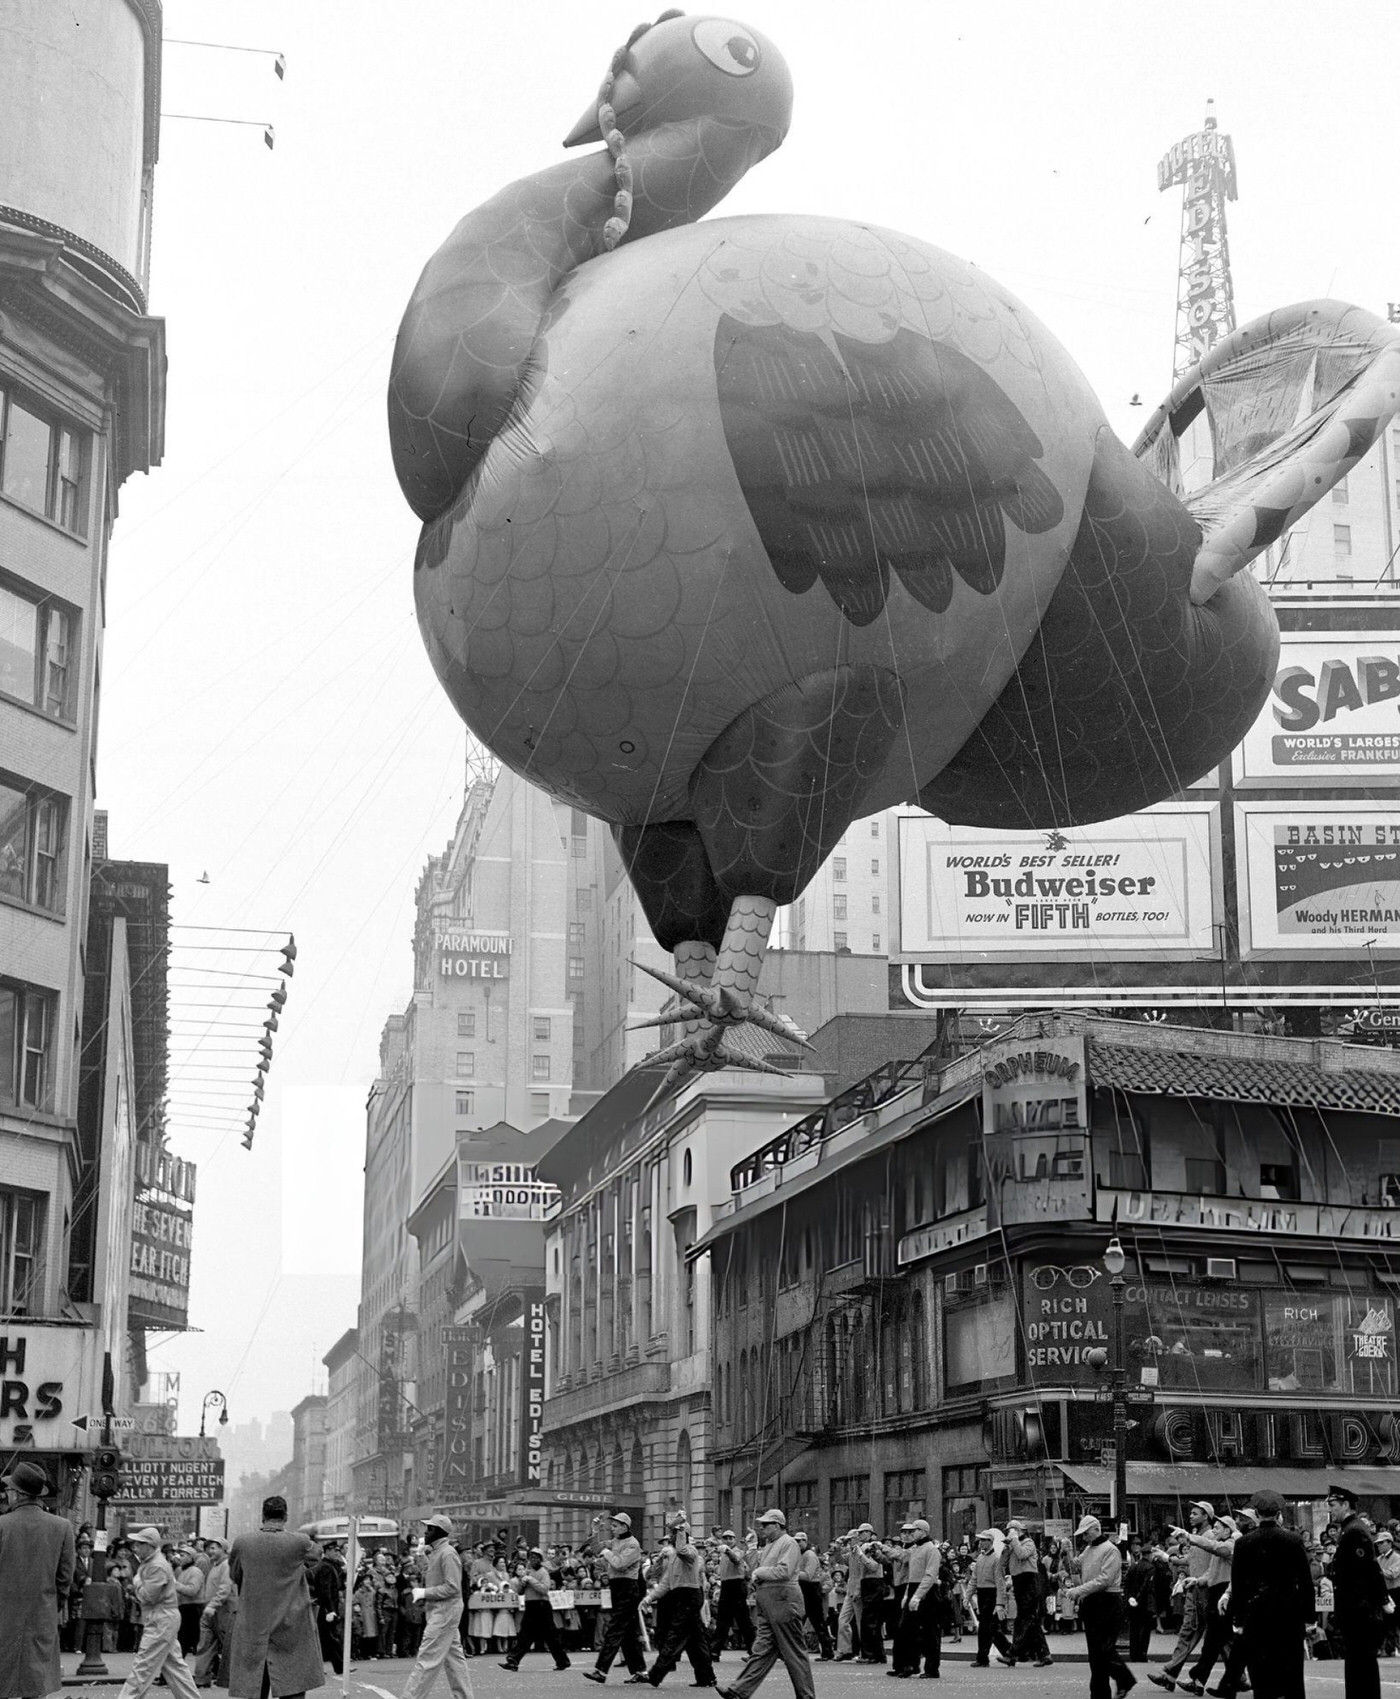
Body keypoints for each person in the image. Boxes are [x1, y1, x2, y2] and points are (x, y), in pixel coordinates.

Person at [228, 1496, 325, 1699]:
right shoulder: (299, 1542)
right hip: (291, 1623)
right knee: (293, 1686)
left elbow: (235, 1575)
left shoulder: (242, 1543)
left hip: (253, 1624)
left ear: (262, 1516)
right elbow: (317, 1555)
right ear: (286, 1516)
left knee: (253, 1686)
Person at [713, 1509, 813, 1699]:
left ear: (777, 1525)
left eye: (766, 1524)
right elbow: (752, 1569)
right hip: (770, 1603)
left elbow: (783, 1571)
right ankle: (739, 1691)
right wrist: (751, 1548)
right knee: (761, 1651)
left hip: (783, 1601)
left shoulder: (789, 1543)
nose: (762, 1527)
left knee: (794, 1652)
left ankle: (806, 1696)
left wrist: (761, 1573)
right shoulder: (770, 1545)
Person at [0, 1459, 76, 1699]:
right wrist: (52, 1606)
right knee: (36, 1686)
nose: (6, 1495)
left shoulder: (2, 1525)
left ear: (18, 1494)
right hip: (41, 1617)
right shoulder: (62, 1527)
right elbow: (65, 1579)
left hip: (3, 1617)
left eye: (8, 1490)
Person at [1228, 1490, 1314, 1699]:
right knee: (1293, 1678)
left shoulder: (1243, 1544)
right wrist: (1309, 1618)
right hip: (1289, 1616)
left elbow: (1238, 1585)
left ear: (1256, 1513)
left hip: (1256, 1616)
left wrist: (1238, 1619)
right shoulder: (1293, 1541)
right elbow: (1305, 1582)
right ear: (1278, 1514)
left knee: (1261, 1678)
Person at [115, 1526, 204, 1699]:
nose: (135, 1547)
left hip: (161, 1619)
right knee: (175, 1668)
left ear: (149, 1545)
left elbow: (148, 1596)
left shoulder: (156, 1565)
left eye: (140, 1544)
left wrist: (137, 1582)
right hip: (162, 1619)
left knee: (143, 1666)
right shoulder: (152, 1562)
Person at [1327, 1484, 1392, 1699]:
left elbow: (1370, 1568)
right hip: (1354, 1607)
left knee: (1361, 1664)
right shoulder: (1349, 1529)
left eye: (1333, 1505)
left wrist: (1383, 1598)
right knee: (1358, 1663)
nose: (1331, 1510)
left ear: (1346, 1505)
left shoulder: (1354, 1530)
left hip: (1359, 1609)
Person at [398, 1515, 473, 1699]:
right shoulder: (438, 1552)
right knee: (455, 1660)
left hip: (445, 1611)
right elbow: (431, 1575)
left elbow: (452, 1587)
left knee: (427, 1659)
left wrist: (425, 1593)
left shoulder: (447, 1553)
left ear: (439, 1532)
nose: (425, 1532)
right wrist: (422, 1555)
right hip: (442, 1610)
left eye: (429, 1529)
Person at [1063, 1514, 1135, 1699]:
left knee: (1103, 1649)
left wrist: (1079, 1590)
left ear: (1096, 1529)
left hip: (1107, 1601)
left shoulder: (1110, 1550)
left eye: (1086, 1533)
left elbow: (1105, 1580)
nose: (1084, 1537)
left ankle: (1124, 1679)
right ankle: (1101, 1693)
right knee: (1095, 1654)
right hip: (1093, 1601)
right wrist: (1068, 1551)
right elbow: (1075, 1566)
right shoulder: (1089, 1549)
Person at [641, 1514, 714, 1688]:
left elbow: (682, 1551)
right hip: (683, 1597)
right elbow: (667, 1582)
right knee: (696, 1641)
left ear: (683, 1534)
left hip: (688, 1596)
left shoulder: (690, 1551)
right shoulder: (674, 1555)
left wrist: (681, 1527)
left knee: (674, 1637)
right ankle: (706, 1677)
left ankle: (655, 1674)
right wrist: (650, 1597)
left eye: (675, 1533)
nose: (671, 1537)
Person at [1149, 1501, 1215, 1692]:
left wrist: (1200, 1579)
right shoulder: (1199, 1537)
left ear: (1206, 1516)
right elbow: (1191, 1560)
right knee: (1189, 1632)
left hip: (1205, 1591)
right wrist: (1168, 1558)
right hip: (1195, 1591)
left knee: (1217, 1638)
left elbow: (1213, 1565)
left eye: (1196, 1513)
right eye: (1191, 1513)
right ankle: (1169, 1675)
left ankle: (1239, 1676)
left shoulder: (1209, 1537)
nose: (1191, 1516)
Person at [585, 1512, 649, 1683]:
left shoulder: (633, 1544)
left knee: (614, 1629)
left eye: (614, 1526)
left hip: (628, 1588)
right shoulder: (615, 1542)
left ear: (624, 1527)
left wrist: (606, 1552)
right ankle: (640, 1671)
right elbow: (596, 1547)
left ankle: (601, 1670)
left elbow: (619, 1563)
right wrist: (595, 1530)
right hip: (618, 1588)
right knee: (628, 1633)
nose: (612, 1529)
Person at [501, 1545, 569, 1672]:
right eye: (531, 1557)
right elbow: (520, 1592)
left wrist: (531, 1580)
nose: (533, 1560)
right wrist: (523, 1583)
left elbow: (544, 1589)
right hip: (531, 1605)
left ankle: (562, 1661)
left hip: (542, 1606)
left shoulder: (543, 1573)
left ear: (540, 1559)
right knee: (525, 1634)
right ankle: (513, 1660)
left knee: (550, 1636)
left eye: (536, 1558)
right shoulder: (528, 1572)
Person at [891, 1519, 942, 1680]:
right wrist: (907, 1595)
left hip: (927, 1592)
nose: (912, 1533)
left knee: (930, 1632)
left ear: (924, 1532)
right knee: (906, 1629)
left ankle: (932, 1668)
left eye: (915, 1531)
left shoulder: (932, 1550)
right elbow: (911, 1576)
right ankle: (910, 1664)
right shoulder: (915, 1550)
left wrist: (918, 1596)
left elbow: (930, 1575)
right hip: (914, 1589)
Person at [1005, 1522, 1052, 1669]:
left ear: (1020, 1530)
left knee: (1024, 1619)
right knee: (1030, 1621)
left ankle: (1013, 1653)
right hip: (1018, 1581)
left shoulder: (1028, 1543)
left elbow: (1022, 1554)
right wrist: (1007, 1548)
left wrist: (1014, 1541)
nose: (1010, 1533)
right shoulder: (1014, 1544)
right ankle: (1043, 1654)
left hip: (1028, 1582)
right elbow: (1005, 1563)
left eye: (1012, 1530)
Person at [970, 1530, 1014, 1668]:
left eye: (983, 1540)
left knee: (990, 1628)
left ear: (990, 1542)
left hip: (992, 1594)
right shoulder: (980, 1558)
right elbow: (974, 1579)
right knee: (987, 1628)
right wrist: (968, 1595)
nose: (981, 1543)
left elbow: (1000, 1582)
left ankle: (994, 1656)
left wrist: (1000, 1602)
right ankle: (1005, 1654)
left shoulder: (996, 1559)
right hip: (983, 1594)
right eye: (980, 1540)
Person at [195, 1538, 236, 1688]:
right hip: (211, 1611)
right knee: (205, 1645)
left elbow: (225, 1589)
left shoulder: (227, 1566)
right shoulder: (215, 1566)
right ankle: (201, 1678)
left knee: (228, 1646)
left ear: (224, 1549)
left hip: (223, 1611)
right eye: (209, 1548)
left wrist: (212, 1605)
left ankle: (232, 1679)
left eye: (213, 1548)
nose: (209, 1551)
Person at [713, 1530, 755, 1659]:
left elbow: (736, 1559)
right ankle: (715, 1650)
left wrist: (727, 1551)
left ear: (735, 1539)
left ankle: (753, 1649)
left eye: (730, 1538)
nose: (728, 1540)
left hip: (737, 1586)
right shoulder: (724, 1554)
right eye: (725, 1538)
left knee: (743, 1620)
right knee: (722, 1621)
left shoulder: (737, 1551)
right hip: (726, 1586)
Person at [792, 1534, 832, 1661]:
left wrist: (790, 1573)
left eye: (799, 1541)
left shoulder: (809, 1555)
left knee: (818, 1622)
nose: (797, 1544)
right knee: (798, 1620)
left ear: (805, 1541)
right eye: (795, 1541)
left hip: (811, 1588)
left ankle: (827, 1651)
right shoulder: (800, 1555)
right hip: (803, 1588)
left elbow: (808, 1575)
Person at [308, 1542, 345, 1676]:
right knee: (330, 1638)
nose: (337, 1553)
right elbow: (326, 1590)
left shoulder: (330, 1566)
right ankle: (339, 1667)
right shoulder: (325, 1567)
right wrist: (330, 1610)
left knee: (328, 1638)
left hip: (326, 1608)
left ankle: (338, 1666)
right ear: (327, 1551)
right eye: (334, 1550)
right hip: (325, 1608)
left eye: (338, 1550)